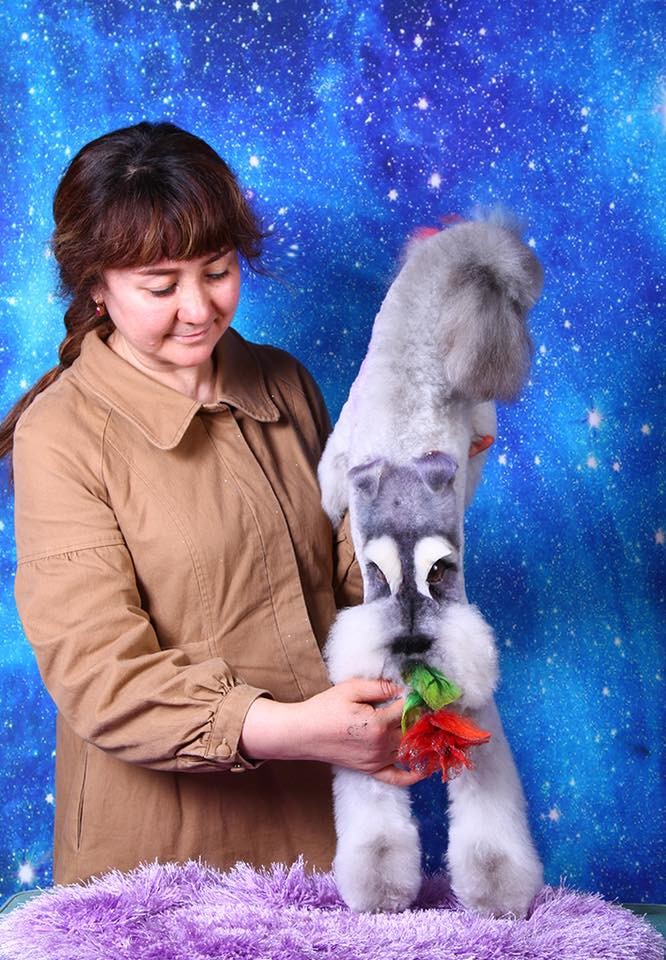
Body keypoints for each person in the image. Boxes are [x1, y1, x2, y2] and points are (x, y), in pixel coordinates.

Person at [0, 121, 422, 887]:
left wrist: (427, 470)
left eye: (218, 270)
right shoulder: (59, 435)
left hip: (324, 837)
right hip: (155, 864)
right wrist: (297, 727)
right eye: (160, 286)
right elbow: (102, 675)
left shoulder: (285, 383)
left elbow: (353, 587)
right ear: (96, 286)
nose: (197, 307)